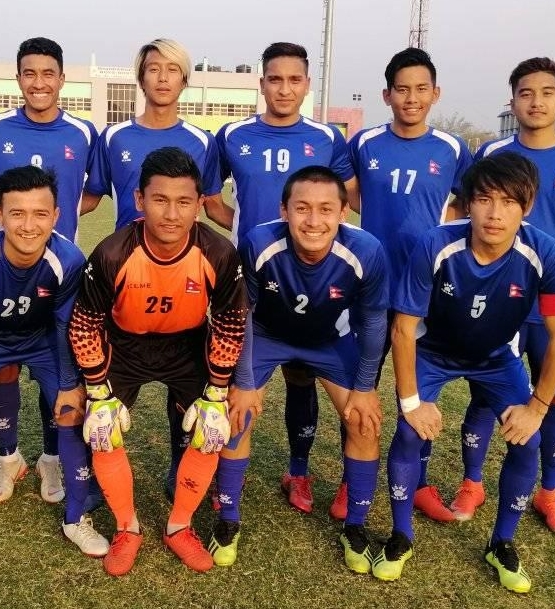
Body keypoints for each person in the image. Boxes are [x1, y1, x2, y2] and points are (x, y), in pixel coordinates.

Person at [375, 153, 555, 593]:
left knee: (528, 439)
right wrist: (411, 403)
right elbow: (404, 329)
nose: (494, 213)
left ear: (527, 206)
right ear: (468, 203)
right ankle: (401, 536)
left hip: (496, 358)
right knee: (408, 431)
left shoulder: (545, 252)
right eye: (484, 199)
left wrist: (538, 407)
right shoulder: (437, 243)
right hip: (434, 352)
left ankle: (501, 542)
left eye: (508, 201)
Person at [451, 58, 555, 535]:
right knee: (486, 393)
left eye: (546, 93)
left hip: (554, 302)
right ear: (513, 101)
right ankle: (472, 483)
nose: (536, 102)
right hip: (498, 299)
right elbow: (462, 213)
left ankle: (550, 492)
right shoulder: (491, 152)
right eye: (526, 93)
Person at [69, 147, 247, 576]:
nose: (171, 214)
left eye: (184, 202)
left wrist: (217, 390)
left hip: (187, 347)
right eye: (160, 200)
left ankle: (179, 525)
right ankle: (126, 528)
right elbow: (84, 324)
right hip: (124, 346)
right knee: (102, 428)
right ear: (139, 200)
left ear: (200, 204)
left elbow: (230, 323)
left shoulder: (219, 252)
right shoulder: (112, 253)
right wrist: (97, 389)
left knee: (211, 429)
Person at [209, 166, 388, 570]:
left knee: (363, 421)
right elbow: (241, 314)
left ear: (343, 212)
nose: (313, 220)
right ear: (284, 211)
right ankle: (228, 519)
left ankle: (356, 526)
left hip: (330, 340)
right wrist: (245, 381)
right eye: (302, 208)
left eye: (325, 209)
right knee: (236, 414)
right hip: (267, 335)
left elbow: (374, 320)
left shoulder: (366, 250)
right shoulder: (258, 242)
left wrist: (364, 387)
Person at [80, 38, 227, 498]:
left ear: (185, 79)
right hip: (126, 277)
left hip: (182, 275)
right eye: (154, 68)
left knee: (188, 385)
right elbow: (91, 198)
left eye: (172, 69)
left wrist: (274, 232)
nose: (163, 77)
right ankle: (97, 474)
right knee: (106, 390)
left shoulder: (202, 141)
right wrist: (33, 218)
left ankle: (180, 469)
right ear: (140, 77)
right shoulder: (114, 137)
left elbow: (214, 206)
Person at [0, 164, 106, 561]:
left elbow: (64, 325)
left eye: (40, 213)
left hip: (41, 340)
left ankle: (76, 519)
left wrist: (68, 383)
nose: (29, 226)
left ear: (56, 215)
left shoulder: (68, 258)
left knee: (70, 411)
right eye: (17, 213)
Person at [214, 42, 355, 515]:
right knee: (232, 380)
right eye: (275, 79)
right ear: (262, 84)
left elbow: (345, 199)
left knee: (302, 375)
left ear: (307, 85)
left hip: (311, 280)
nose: (284, 89)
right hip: (250, 282)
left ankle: (299, 471)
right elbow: (211, 199)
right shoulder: (233, 135)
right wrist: (248, 234)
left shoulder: (327, 137)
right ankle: (220, 479)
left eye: (295, 80)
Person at [343, 47, 473, 522]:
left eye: (421, 89)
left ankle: (418, 482)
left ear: (435, 94)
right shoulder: (364, 143)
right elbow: (345, 194)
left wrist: (437, 227)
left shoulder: (453, 148)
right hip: (372, 285)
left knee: (420, 387)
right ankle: (348, 482)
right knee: (360, 385)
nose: (411, 98)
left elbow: (471, 201)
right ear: (387, 95)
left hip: (427, 290)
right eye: (402, 89)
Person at [0, 37, 98, 506]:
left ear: (62, 79)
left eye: (48, 73)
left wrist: (54, 227)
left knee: (57, 366)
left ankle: (50, 459)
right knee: (4, 368)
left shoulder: (83, 133)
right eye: (30, 73)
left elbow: (93, 193)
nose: (39, 82)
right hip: (3, 273)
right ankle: (9, 460)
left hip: (58, 275)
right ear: (18, 78)